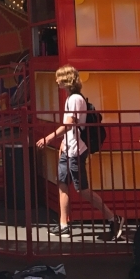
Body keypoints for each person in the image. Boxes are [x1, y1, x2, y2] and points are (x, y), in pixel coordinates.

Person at [37, 65, 123, 240]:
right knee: (62, 184)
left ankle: (113, 218)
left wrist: (49, 138)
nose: (56, 81)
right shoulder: (71, 98)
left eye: (59, 77)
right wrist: (62, 141)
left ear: (67, 80)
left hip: (76, 150)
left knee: (82, 189)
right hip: (69, 148)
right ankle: (63, 225)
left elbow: (70, 123)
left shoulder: (75, 98)